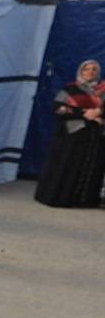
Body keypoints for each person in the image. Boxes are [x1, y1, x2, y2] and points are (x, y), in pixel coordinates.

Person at [34, 58, 105, 207]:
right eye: (87, 69)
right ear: (81, 71)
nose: (90, 72)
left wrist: (98, 113)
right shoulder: (70, 89)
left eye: (94, 69)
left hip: (94, 137)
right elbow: (59, 108)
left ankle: (84, 201)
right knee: (67, 167)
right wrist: (84, 113)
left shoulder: (101, 92)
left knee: (89, 169)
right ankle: (61, 198)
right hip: (71, 136)